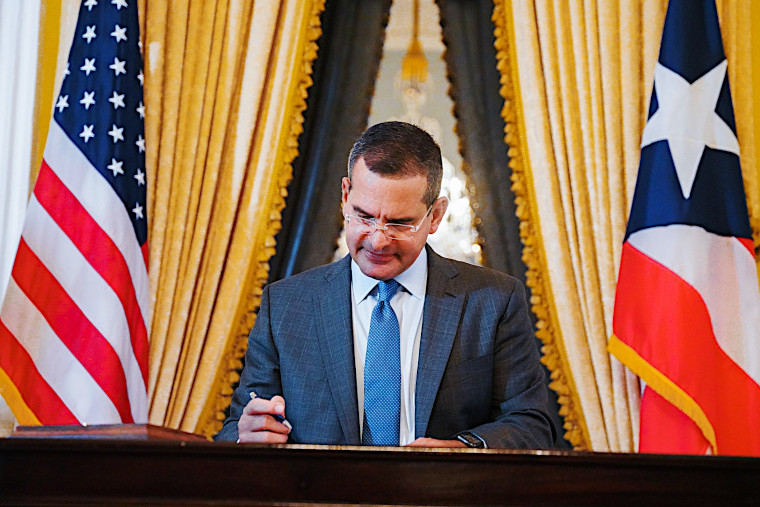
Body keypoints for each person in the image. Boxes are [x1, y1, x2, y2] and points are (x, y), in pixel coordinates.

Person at [215, 121, 555, 448]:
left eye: (399, 222)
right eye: (364, 216)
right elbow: (237, 429)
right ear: (345, 196)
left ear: (435, 216)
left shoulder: (494, 301)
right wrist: (249, 434)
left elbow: (532, 425)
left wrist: (457, 450)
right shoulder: (286, 305)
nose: (378, 240)